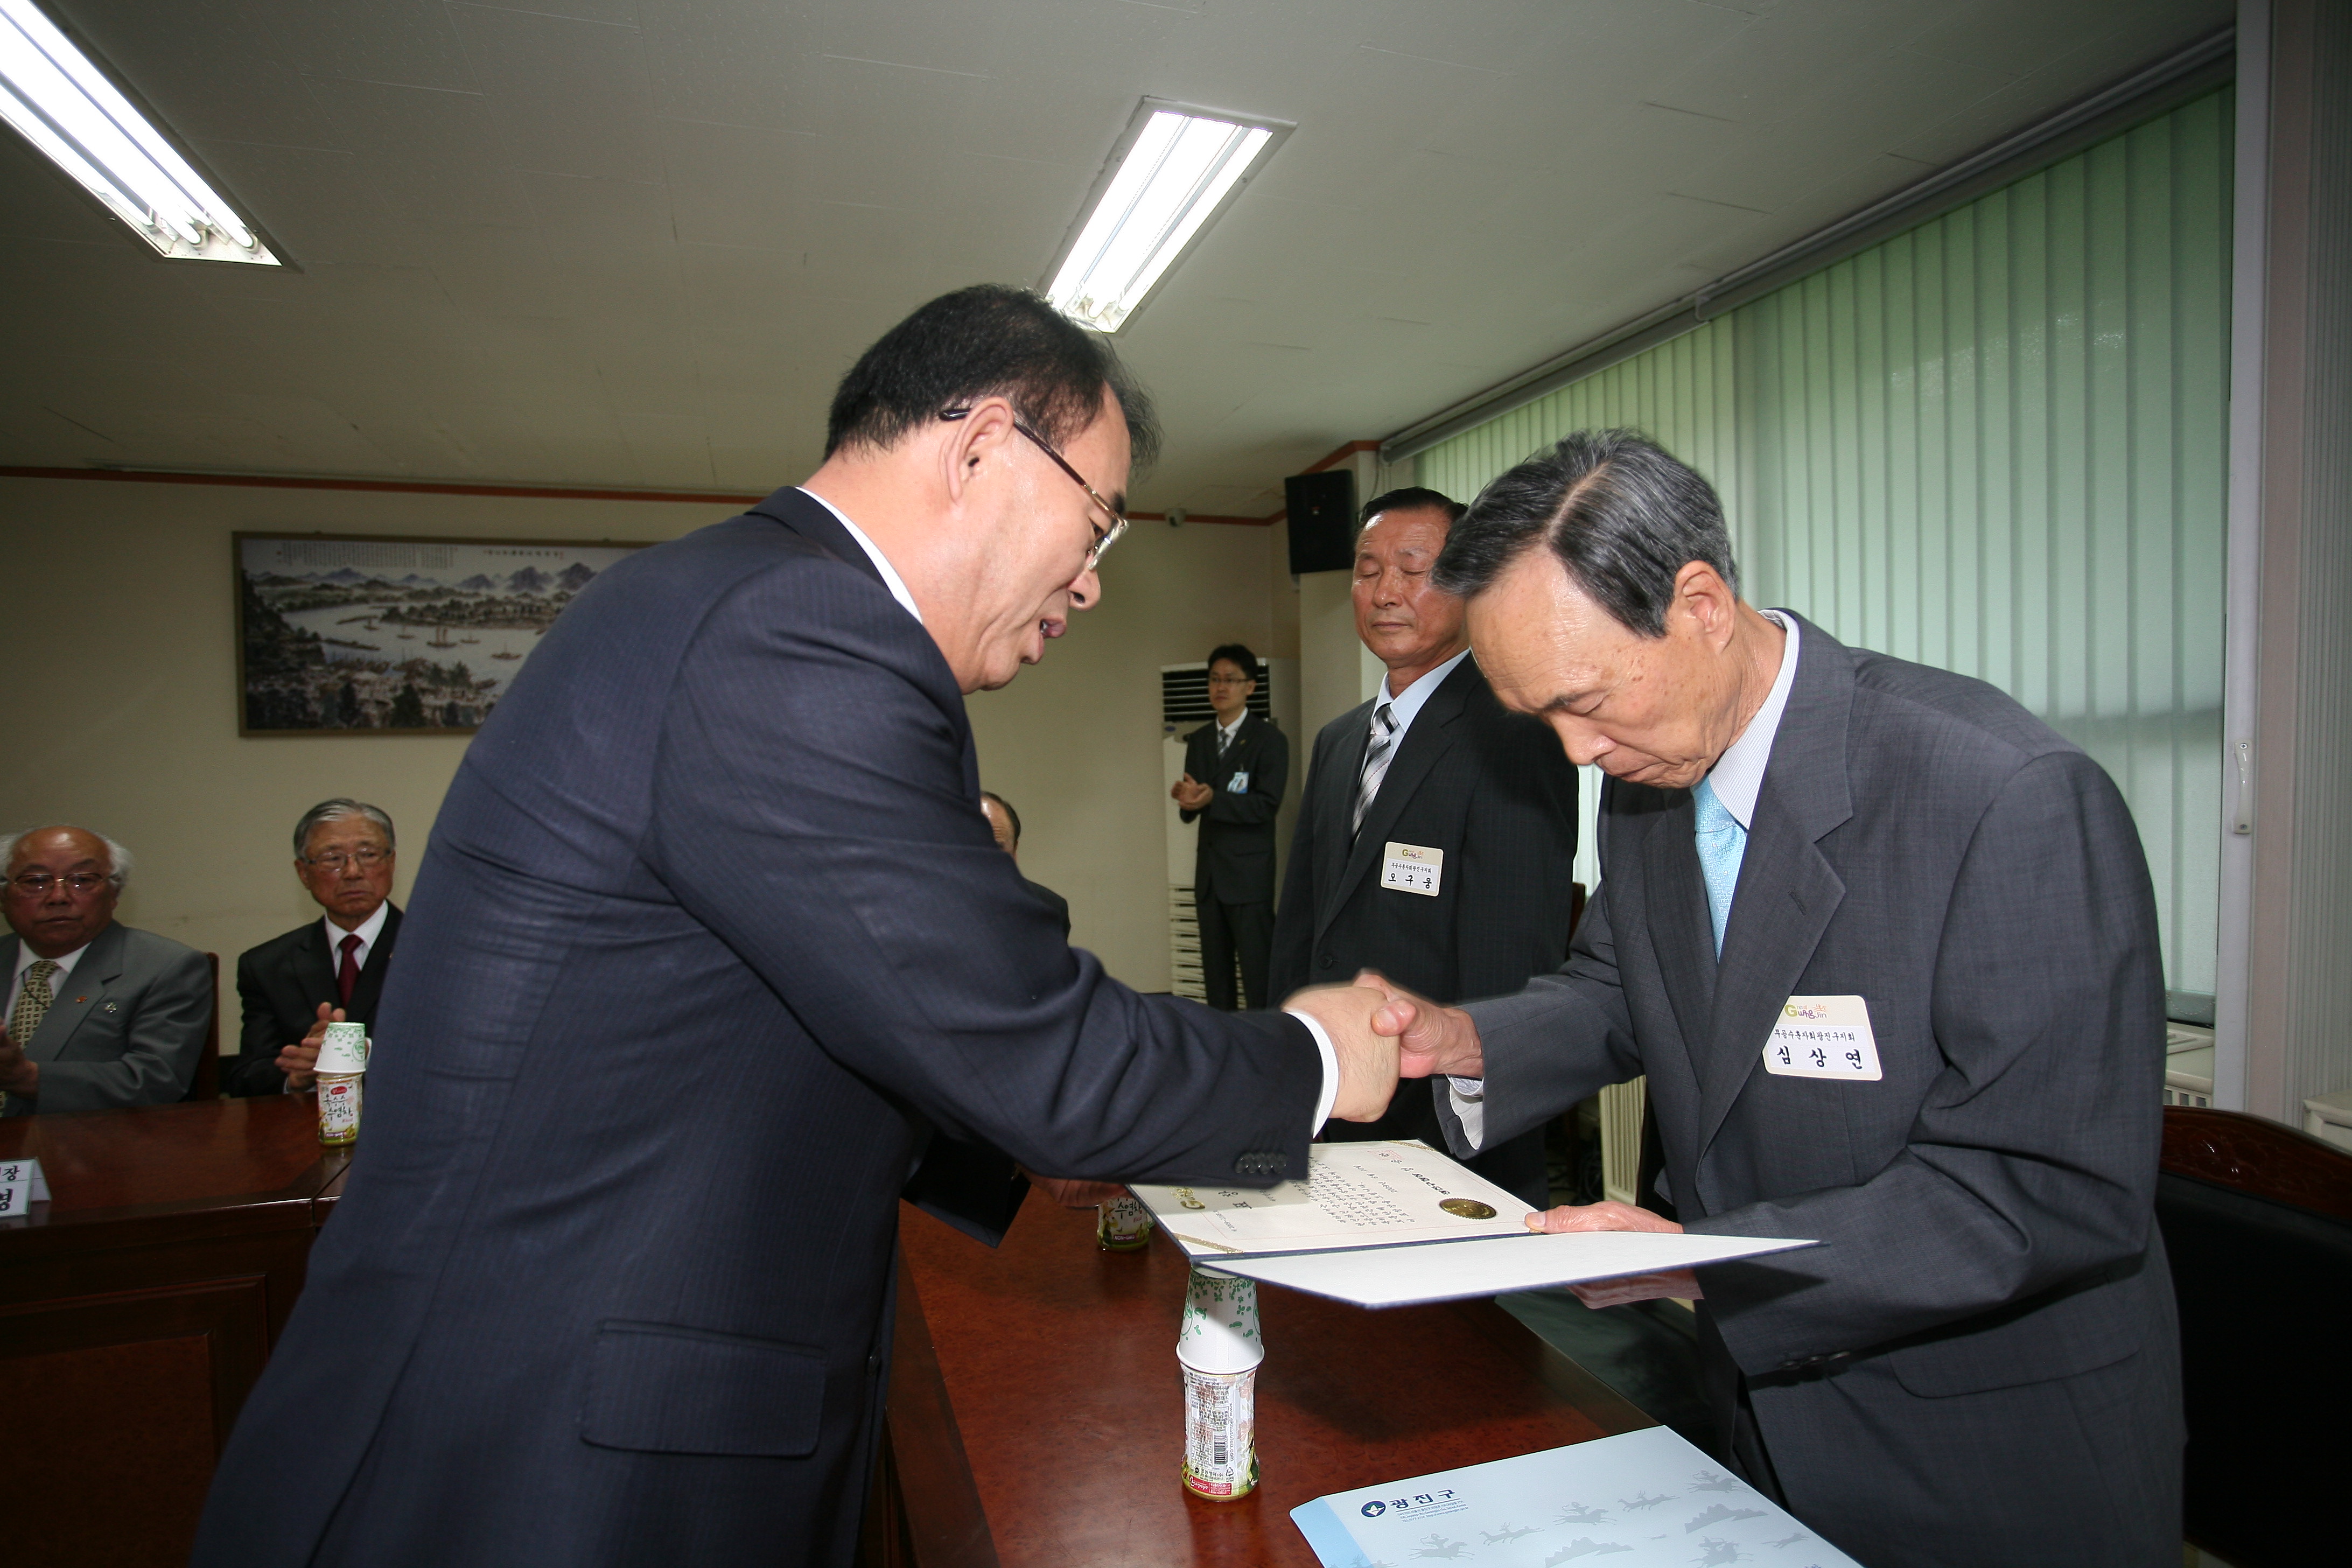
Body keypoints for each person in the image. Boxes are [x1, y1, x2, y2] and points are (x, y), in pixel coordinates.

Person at [192, 285, 1397, 1568]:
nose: (1091, 588)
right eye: (1097, 526)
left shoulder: (749, 601)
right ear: (983, 448)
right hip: (534, 1471)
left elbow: (792, 1029)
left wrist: (1017, 1132)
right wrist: (1317, 1056)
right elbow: (1041, 1047)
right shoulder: (798, 632)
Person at [1349, 430, 2179, 1567]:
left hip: (1986, 1448)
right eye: (1541, 717)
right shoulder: (1649, 782)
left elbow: (2052, 1185)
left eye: (1586, 699)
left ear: (1699, 604)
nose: (1580, 752)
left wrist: (1710, 1256)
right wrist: (1466, 1039)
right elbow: (1629, 992)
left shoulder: (2000, 793)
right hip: (1755, 1423)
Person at [1268, 487, 1580, 1210]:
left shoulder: (1514, 736)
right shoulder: (1339, 740)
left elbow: (1517, 962)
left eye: (1414, 569)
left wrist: (1473, 1113)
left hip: (1445, 1127)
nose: (1385, 592)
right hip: (1331, 1104)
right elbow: (1303, 930)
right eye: (1368, 570)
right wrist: (1286, 1069)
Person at [0, 825, 209, 1116]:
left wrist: (29, 1078)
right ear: (3, 896)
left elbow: (156, 1081)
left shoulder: (166, 967)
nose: (58, 896)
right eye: (35, 881)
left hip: (91, 1152)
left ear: (114, 893)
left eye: (82, 880)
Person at [226, 800, 404, 1096]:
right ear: (303, 873)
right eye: (332, 858)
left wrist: (361, 1053)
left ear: (391, 862)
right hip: (306, 1130)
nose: (352, 871)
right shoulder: (267, 965)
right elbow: (248, 1076)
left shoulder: (440, 952)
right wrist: (295, 1077)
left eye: (368, 855)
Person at [1172, 643, 1287, 1009]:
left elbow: (1266, 806)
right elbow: (1194, 806)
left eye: (1231, 680)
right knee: (1215, 975)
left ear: (1250, 687)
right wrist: (1188, 802)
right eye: (1215, 680)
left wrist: (1212, 800)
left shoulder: (1269, 740)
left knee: (1257, 972)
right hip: (1210, 877)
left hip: (1248, 876)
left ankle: (1265, 1046)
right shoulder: (1201, 739)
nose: (1220, 688)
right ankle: (1220, 1050)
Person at [980, 789, 1070, 937]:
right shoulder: (930, 905)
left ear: (1014, 850)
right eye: (974, 846)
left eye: (997, 848)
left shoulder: (1049, 909)